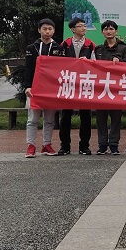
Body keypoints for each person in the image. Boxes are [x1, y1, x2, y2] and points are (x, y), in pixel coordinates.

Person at [23, 18, 63, 158]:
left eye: (50, 29)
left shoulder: (58, 48)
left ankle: (47, 144)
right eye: (44, 29)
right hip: (35, 88)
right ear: (39, 30)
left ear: (54, 31)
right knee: (32, 119)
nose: (47, 31)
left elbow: (62, 68)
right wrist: (27, 86)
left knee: (49, 119)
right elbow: (28, 68)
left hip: (51, 89)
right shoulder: (31, 48)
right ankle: (31, 146)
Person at [58, 17, 96, 155]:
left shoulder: (91, 44)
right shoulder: (65, 44)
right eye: (80, 26)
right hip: (69, 82)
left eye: (85, 26)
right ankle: (65, 146)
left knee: (85, 115)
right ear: (73, 29)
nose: (84, 28)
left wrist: (88, 62)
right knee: (65, 115)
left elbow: (95, 62)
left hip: (85, 83)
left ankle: (84, 146)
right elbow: (58, 62)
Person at [94, 20, 126, 155]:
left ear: (116, 31)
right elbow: (92, 66)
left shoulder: (124, 48)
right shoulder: (98, 49)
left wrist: (120, 62)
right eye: (106, 29)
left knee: (116, 118)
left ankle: (114, 144)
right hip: (101, 88)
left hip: (117, 88)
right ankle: (102, 144)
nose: (108, 31)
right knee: (101, 118)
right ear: (102, 32)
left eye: (111, 29)